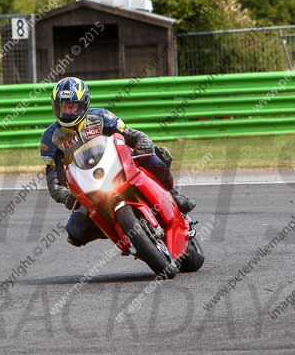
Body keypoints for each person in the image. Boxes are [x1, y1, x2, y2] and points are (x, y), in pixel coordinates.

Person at [40, 76, 196, 247]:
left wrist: (142, 144)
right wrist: (67, 197)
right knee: (75, 232)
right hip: (89, 186)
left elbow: (133, 135)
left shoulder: (101, 117)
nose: (67, 112)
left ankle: (173, 194)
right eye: (62, 107)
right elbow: (54, 182)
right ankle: (124, 235)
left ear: (84, 104)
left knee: (155, 156)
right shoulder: (50, 138)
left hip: (120, 166)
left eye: (72, 106)